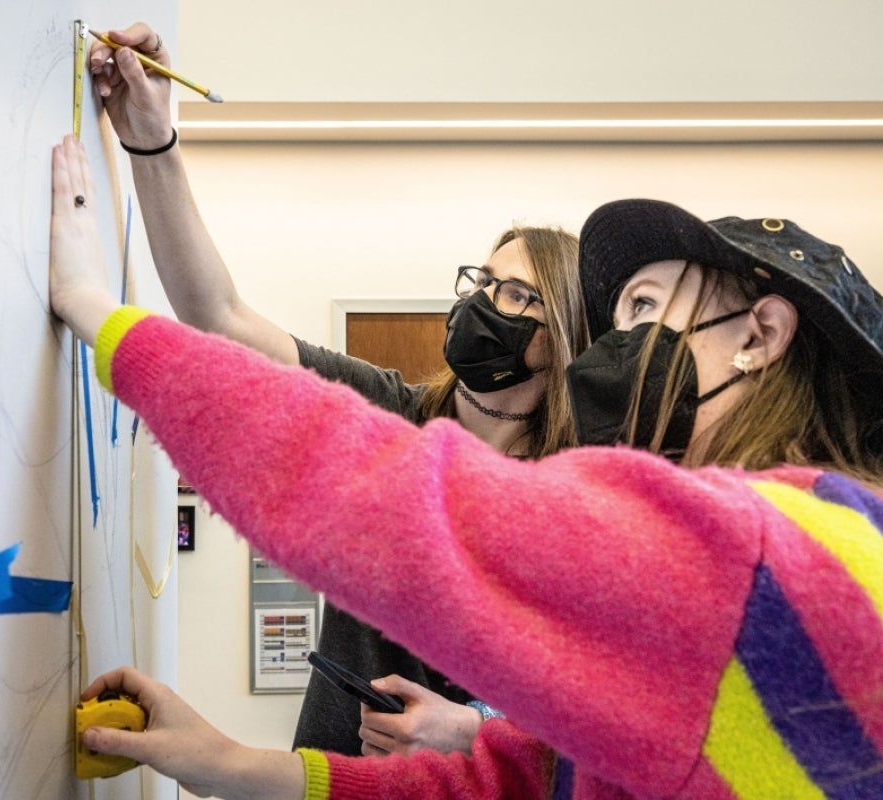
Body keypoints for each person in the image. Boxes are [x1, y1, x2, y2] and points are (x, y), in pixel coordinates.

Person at [52, 131, 883, 797]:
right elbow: (523, 776)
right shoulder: (810, 541)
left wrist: (99, 314)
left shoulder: (746, 549)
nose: (622, 346)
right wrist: (223, 761)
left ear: (761, 336)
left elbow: (376, 500)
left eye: (642, 308)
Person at [88, 22, 589, 758]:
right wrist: (152, 141)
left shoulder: (577, 489)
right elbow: (217, 316)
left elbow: (595, 700)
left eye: (517, 295)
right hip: (329, 775)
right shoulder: (389, 411)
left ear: (566, 334)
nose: (484, 304)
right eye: (482, 282)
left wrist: (471, 729)